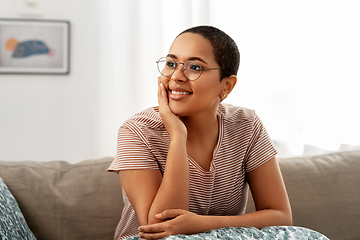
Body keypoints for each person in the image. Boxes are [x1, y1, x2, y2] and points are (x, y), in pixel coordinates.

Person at [108, 25, 292, 240]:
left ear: (227, 86)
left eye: (194, 67)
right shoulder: (137, 131)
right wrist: (178, 137)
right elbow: (161, 230)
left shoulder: (246, 125)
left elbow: (280, 216)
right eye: (170, 64)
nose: (176, 76)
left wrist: (203, 224)